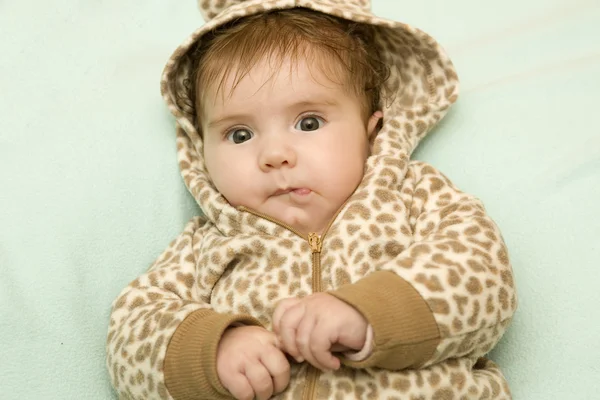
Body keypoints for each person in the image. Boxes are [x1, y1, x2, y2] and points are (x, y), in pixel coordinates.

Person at [106, 1, 517, 399]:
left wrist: (370, 313)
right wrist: (213, 350)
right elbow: (131, 334)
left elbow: (482, 273)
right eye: (240, 135)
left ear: (372, 132)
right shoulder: (205, 245)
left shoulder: (414, 198)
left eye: (308, 122)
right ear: (201, 152)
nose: (274, 155)